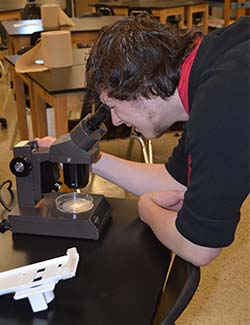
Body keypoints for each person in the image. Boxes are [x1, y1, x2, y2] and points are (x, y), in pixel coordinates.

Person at [38, 14, 249, 266]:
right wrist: (85, 155)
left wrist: (148, 210)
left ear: (143, 87)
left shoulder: (220, 102)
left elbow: (198, 247)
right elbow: (177, 181)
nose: (115, 121)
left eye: (114, 106)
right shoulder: (208, 65)